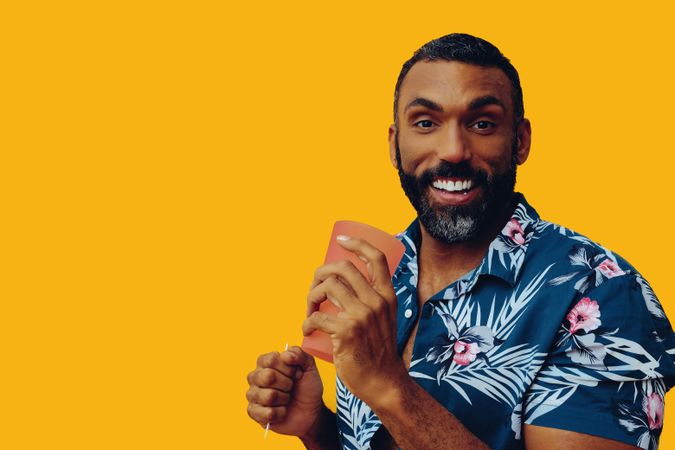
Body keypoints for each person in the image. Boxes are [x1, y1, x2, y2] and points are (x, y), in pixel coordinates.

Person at [245, 33, 675, 450]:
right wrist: (318, 430)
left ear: (520, 142)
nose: (452, 149)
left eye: (482, 123)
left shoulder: (601, 292)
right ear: (395, 145)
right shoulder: (378, 274)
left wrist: (386, 385)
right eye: (426, 123)